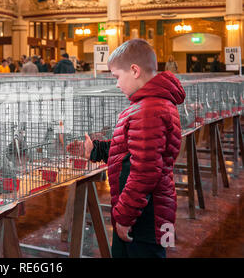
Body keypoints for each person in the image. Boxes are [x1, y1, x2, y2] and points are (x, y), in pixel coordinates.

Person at [67, 39, 185, 258]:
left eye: (117, 77)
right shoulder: (148, 104)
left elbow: (144, 173)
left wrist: (124, 217)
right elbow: (132, 150)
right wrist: (96, 150)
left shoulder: (149, 109)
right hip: (145, 211)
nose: (117, 84)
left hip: (145, 217)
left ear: (134, 70)